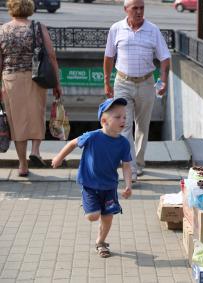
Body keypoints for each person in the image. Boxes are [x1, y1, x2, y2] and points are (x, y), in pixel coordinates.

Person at [51, 98, 132, 258]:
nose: (123, 120)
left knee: (108, 217)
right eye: (118, 117)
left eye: (124, 117)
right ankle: (89, 204)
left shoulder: (124, 143)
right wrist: (59, 158)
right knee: (93, 216)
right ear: (104, 120)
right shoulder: (92, 137)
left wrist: (128, 185)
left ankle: (101, 242)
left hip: (109, 186)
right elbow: (72, 144)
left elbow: (126, 165)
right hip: (89, 184)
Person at [103, 0, 171, 181]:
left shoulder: (153, 30)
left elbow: (165, 58)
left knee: (142, 126)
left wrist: (163, 80)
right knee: (124, 126)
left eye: (142, 8)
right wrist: (107, 82)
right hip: (122, 82)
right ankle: (130, 168)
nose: (139, 12)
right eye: (135, 8)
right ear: (126, 10)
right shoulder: (116, 29)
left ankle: (139, 163)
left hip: (146, 83)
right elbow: (109, 56)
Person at [0, 0, 62, 176]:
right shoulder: (38, 27)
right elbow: (51, 55)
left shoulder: (3, 29)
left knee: (17, 121)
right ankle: (35, 151)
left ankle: (22, 166)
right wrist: (57, 83)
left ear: (11, 8)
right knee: (36, 114)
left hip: (10, 79)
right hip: (36, 78)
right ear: (30, 8)